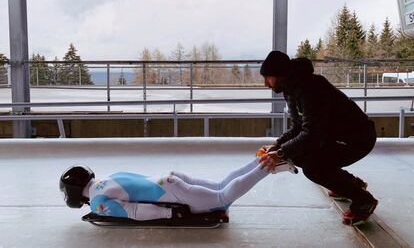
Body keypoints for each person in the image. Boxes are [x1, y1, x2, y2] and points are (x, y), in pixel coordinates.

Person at [258, 50, 378, 226]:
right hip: (335, 137)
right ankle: (348, 183)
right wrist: (277, 145)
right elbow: (299, 127)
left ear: (281, 74)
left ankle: (364, 200)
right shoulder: (290, 90)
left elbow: (312, 135)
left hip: (358, 139)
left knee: (313, 168)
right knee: (297, 155)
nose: (265, 84)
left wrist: (281, 153)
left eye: (268, 77)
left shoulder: (312, 88)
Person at [59, 156, 296, 221]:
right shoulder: (108, 177)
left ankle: (267, 165)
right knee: (221, 185)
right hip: (168, 178)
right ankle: (260, 160)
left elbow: (135, 212)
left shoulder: (99, 202)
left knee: (222, 198)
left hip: (170, 192)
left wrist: (169, 213)